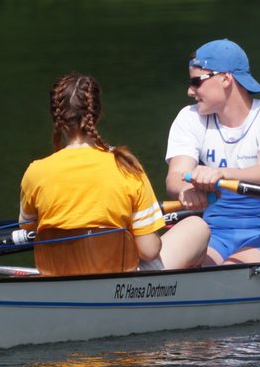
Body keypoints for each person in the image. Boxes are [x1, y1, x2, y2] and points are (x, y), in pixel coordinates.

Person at [160, 38, 260, 268]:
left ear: (225, 78)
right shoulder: (190, 118)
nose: (189, 91)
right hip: (214, 235)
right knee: (170, 258)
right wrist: (186, 190)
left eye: (196, 82)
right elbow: (176, 176)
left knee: (227, 269)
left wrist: (220, 174)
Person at [19, 73, 165, 275]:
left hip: (57, 275)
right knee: (196, 226)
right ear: (97, 114)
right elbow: (149, 251)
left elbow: (27, 228)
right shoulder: (126, 165)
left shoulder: (35, 171)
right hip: (118, 279)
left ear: (57, 117)